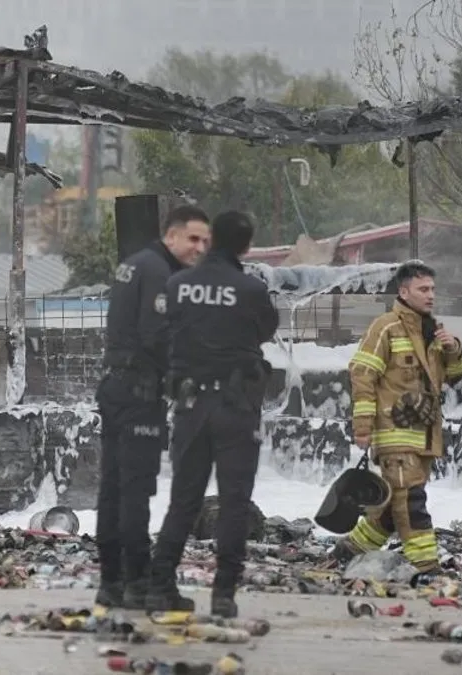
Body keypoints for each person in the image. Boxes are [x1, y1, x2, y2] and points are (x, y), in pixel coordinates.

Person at [147, 210, 279, 616]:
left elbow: (163, 333)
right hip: (235, 408)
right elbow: (266, 330)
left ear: (209, 240)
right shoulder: (251, 288)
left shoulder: (178, 284)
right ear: (246, 246)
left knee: (183, 501)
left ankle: (161, 585)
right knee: (235, 503)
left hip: (189, 407)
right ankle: (223, 594)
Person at [95, 204, 211, 609]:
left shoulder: (135, 264)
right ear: (172, 236)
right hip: (138, 393)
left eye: (206, 242)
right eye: (193, 239)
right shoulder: (160, 273)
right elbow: (159, 336)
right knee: (134, 491)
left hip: (115, 387)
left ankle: (111, 582)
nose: (200, 248)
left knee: (111, 488)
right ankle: (138, 583)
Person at [330, 262, 462, 574]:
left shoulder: (433, 330)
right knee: (411, 500)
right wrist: (362, 427)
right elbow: (362, 374)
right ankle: (426, 565)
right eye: (423, 289)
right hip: (395, 433)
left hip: (424, 434)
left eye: (432, 289)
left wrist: (453, 350)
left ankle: (350, 549)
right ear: (404, 292)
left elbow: (457, 377)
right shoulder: (385, 327)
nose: (430, 295)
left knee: (394, 506)